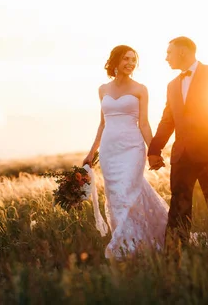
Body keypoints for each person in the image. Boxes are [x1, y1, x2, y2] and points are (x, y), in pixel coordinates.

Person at [83, 45, 169, 259]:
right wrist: (92, 151)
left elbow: (145, 124)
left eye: (133, 60)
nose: (130, 63)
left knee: (129, 191)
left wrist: (154, 151)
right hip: (109, 151)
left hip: (132, 148)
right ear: (115, 62)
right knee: (115, 196)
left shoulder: (140, 89)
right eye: (126, 59)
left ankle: (126, 243)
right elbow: (102, 124)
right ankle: (129, 240)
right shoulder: (103, 89)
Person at [147, 36, 208, 247]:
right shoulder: (172, 85)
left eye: (169, 52)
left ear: (183, 52)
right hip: (182, 155)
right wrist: (154, 149)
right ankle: (175, 253)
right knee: (178, 207)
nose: (166, 57)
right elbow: (168, 120)